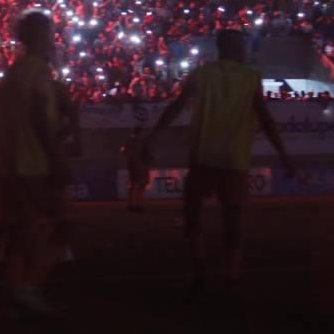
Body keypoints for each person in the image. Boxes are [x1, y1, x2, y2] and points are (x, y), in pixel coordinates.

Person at [144, 29, 296, 289]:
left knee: (192, 214)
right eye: (242, 46)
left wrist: (153, 138)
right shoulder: (250, 78)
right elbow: (266, 119)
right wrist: (284, 154)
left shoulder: (202, 75)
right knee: (232, 217)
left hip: (203, 155)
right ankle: (232, 272)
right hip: (233, 158)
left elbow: (176, 107)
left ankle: (200, 267)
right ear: (235, 49)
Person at [0, 10, 72, 316]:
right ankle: (29, 287)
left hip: (13, 164)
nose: (53, 40)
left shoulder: (13, 74)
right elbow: (41, 122)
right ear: (41, 36)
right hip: (35, 165)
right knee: (63, 226)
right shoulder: (38, 74)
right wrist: (57, 159)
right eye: (50, 33)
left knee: (18, 230)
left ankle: (16, 288)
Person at [121, 127, 150, 213]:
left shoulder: (129, 140)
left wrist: (129, 158)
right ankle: (139, 204)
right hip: (139, 165)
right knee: (141, 185)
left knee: (132, 185)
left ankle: (131, 204)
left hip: (131, 164)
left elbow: (123, 151)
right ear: (140, 132)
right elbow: (146, 153)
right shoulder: (141, 141)